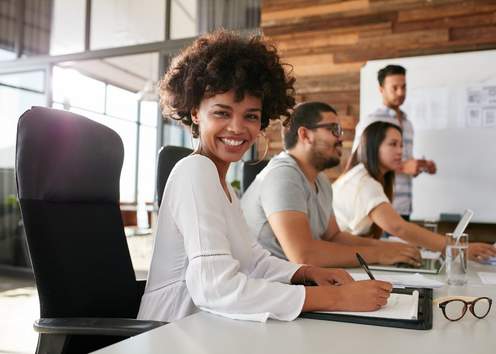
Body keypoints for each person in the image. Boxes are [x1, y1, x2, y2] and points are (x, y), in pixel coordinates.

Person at [137, 31, 392, 323]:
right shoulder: (195, 171)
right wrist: (337, 298)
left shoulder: (223, 186)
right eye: (222, 113)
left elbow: (253, 261)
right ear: (195, 112)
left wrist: (305, 272)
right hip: (171, 332)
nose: (237, 128)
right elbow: (215, 287)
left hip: (209, 326)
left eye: (250, 116)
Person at [241, 101, 421, 268]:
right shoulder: (283, 175)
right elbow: (303, 255)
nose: (341, 138)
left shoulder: (321, 180)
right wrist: (379, 254)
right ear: (305, 135)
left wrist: (388, 248)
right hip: (265, 288)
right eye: (334, 129)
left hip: (293, 282)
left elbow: (333, 237)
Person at [334, 121, 496, 261]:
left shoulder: (362, 176)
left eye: (401, 145)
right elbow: (398, 228)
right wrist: (458, 248)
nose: (400, 151)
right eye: (393, 144)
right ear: (373, 147)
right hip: (338, 256)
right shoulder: (364, 182)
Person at [352, 65, 436, 221]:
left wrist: (419, 166)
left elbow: (399, 160)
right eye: (395, 88)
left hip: (404, 206)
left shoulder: (408, 123)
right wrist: (404, 167)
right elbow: (359, 160)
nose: (401, 92)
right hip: (378, 205)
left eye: (404, 87)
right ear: (381, 89)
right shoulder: (372, 121)